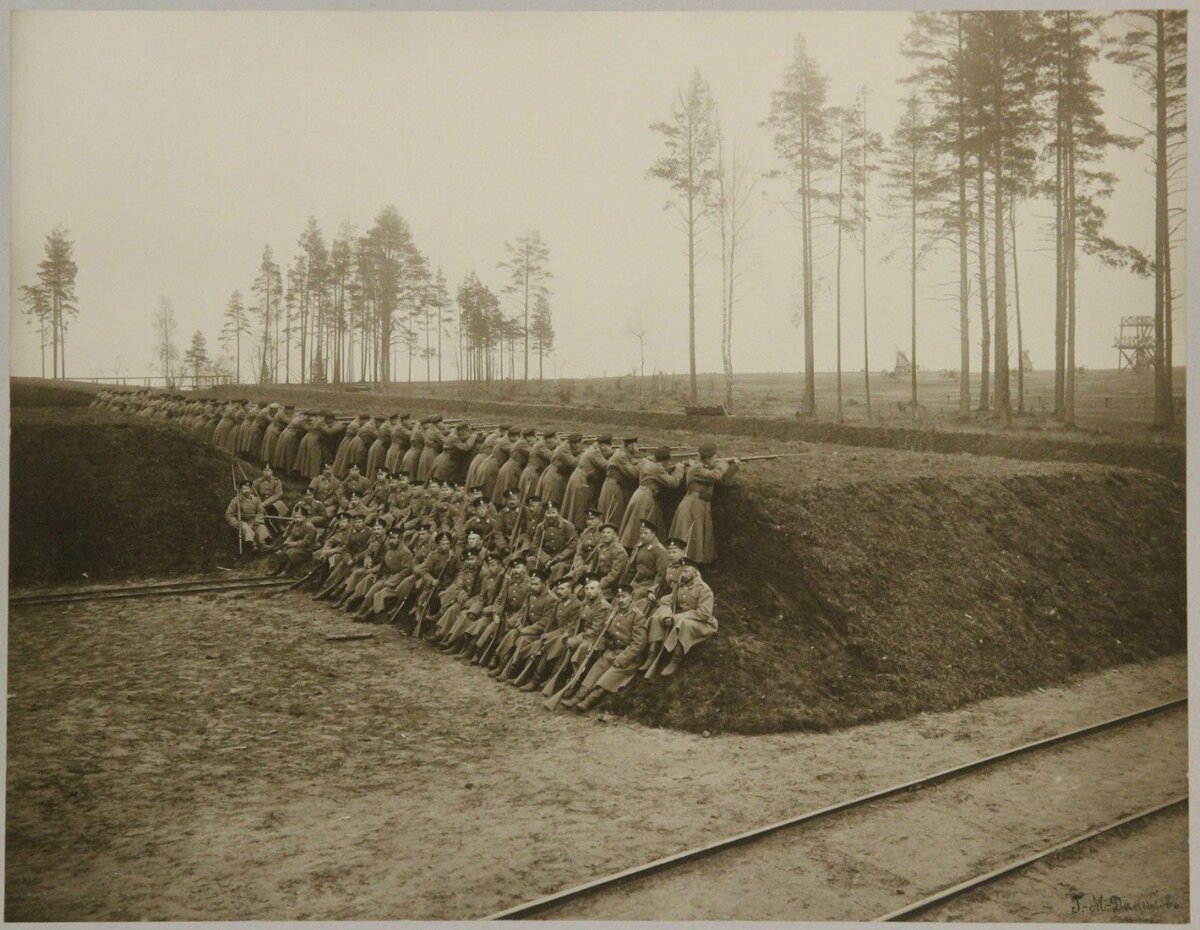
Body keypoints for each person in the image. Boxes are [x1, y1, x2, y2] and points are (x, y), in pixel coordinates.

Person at [562, 582, 647, 712]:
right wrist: (596, 646)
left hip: (629, 656)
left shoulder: (637, 616)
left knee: (610, 676)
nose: (621, 600)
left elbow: (639, 643)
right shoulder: (613, 613)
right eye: (618, 597)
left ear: (631, 597)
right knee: (596, 669)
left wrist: (623, 658)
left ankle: (588, 701)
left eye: (624, 596)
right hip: (611, 651)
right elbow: (604, 635)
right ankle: (578, 696)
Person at [669, 442, 741, 563]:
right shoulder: (696, 468)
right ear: (707, 459)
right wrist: (723, 463)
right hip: (693, 505)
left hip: (700, 504)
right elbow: (716, 475)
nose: (716, 459)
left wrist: (734, 466)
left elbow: (723, 480)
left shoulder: (704, 468)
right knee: (689, 534)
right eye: (714, 457)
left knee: (697, 534)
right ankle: (684, 562)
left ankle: (692, 562)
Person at [645, 559, 716, 677]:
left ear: (696, 573)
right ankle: (651, 654)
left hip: (703, 623)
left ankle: (675, 659)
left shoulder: (704, 590)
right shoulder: (681, 585)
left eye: (686, 571)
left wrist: (677, 617)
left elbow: (704, 613)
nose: (682, 574)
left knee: (683, 624)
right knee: (657, 618)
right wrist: (666, 610)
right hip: (684, 618)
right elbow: (672, 598)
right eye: (682, 571)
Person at [618, 446, 685, 547]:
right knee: (645, 524)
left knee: (634, 525)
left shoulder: (647, 463)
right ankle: (639, 548)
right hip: (647, 498)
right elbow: (673, 482)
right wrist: (679, 468)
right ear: (665, 460)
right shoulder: (656, 468)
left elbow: (660, 471)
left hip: (640, 494)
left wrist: (670, 468)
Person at [562, 434, 612, 529]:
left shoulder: (592, 450)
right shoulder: (595, 453)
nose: (604, 448)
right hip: (581, 480)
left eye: (606, 446)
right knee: (580, 506)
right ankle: (577, 528)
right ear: (600, 445)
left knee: (575, 505)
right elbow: (606, 466)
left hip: (579, 477)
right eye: (603, 446)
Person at [597, 436, 640, 526]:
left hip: (613, 485)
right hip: (614, 487)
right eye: (636, 445)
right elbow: (633, 473)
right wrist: (644, 463)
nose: (637, 447)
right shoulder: (621, 456)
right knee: (614, 514)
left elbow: (631, 461)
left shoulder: (621, 452)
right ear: (630, 446)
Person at [538, 432, 582, 509]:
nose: (576, 446)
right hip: (554, 477)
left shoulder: (566, 447)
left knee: (557, 501)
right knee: (551, 501)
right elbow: (574, 463)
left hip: (559, 476)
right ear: (570, 443)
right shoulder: (563, 449)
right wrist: (582, 455)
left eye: (577, 443)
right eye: (574, 443)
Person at [225, 480, 270, 551]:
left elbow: (260, 510)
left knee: (261, 526)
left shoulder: (255, 499)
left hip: (253, 520)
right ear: (240, 490)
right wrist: (237, 523)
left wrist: (257, 520)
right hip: (242, 521)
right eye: (244, 488)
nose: (246, 490)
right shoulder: (236, 500)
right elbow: (229, 514)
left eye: (248, 488)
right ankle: (253, 545)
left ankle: (263, 544)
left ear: (251, 489)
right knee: (246, 527)